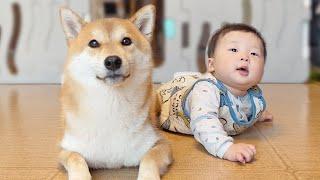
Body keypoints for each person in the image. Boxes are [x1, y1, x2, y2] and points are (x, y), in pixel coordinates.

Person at [156, 23, 273, 163]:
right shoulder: (206, 91)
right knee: (153, 104)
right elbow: (204, 123)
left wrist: (257, 114)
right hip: (169, 100)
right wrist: (226, 148)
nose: (245, 57)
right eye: (234, 49)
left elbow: (243, 107)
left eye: (254, 53)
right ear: (212, 64)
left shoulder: (253, 93)